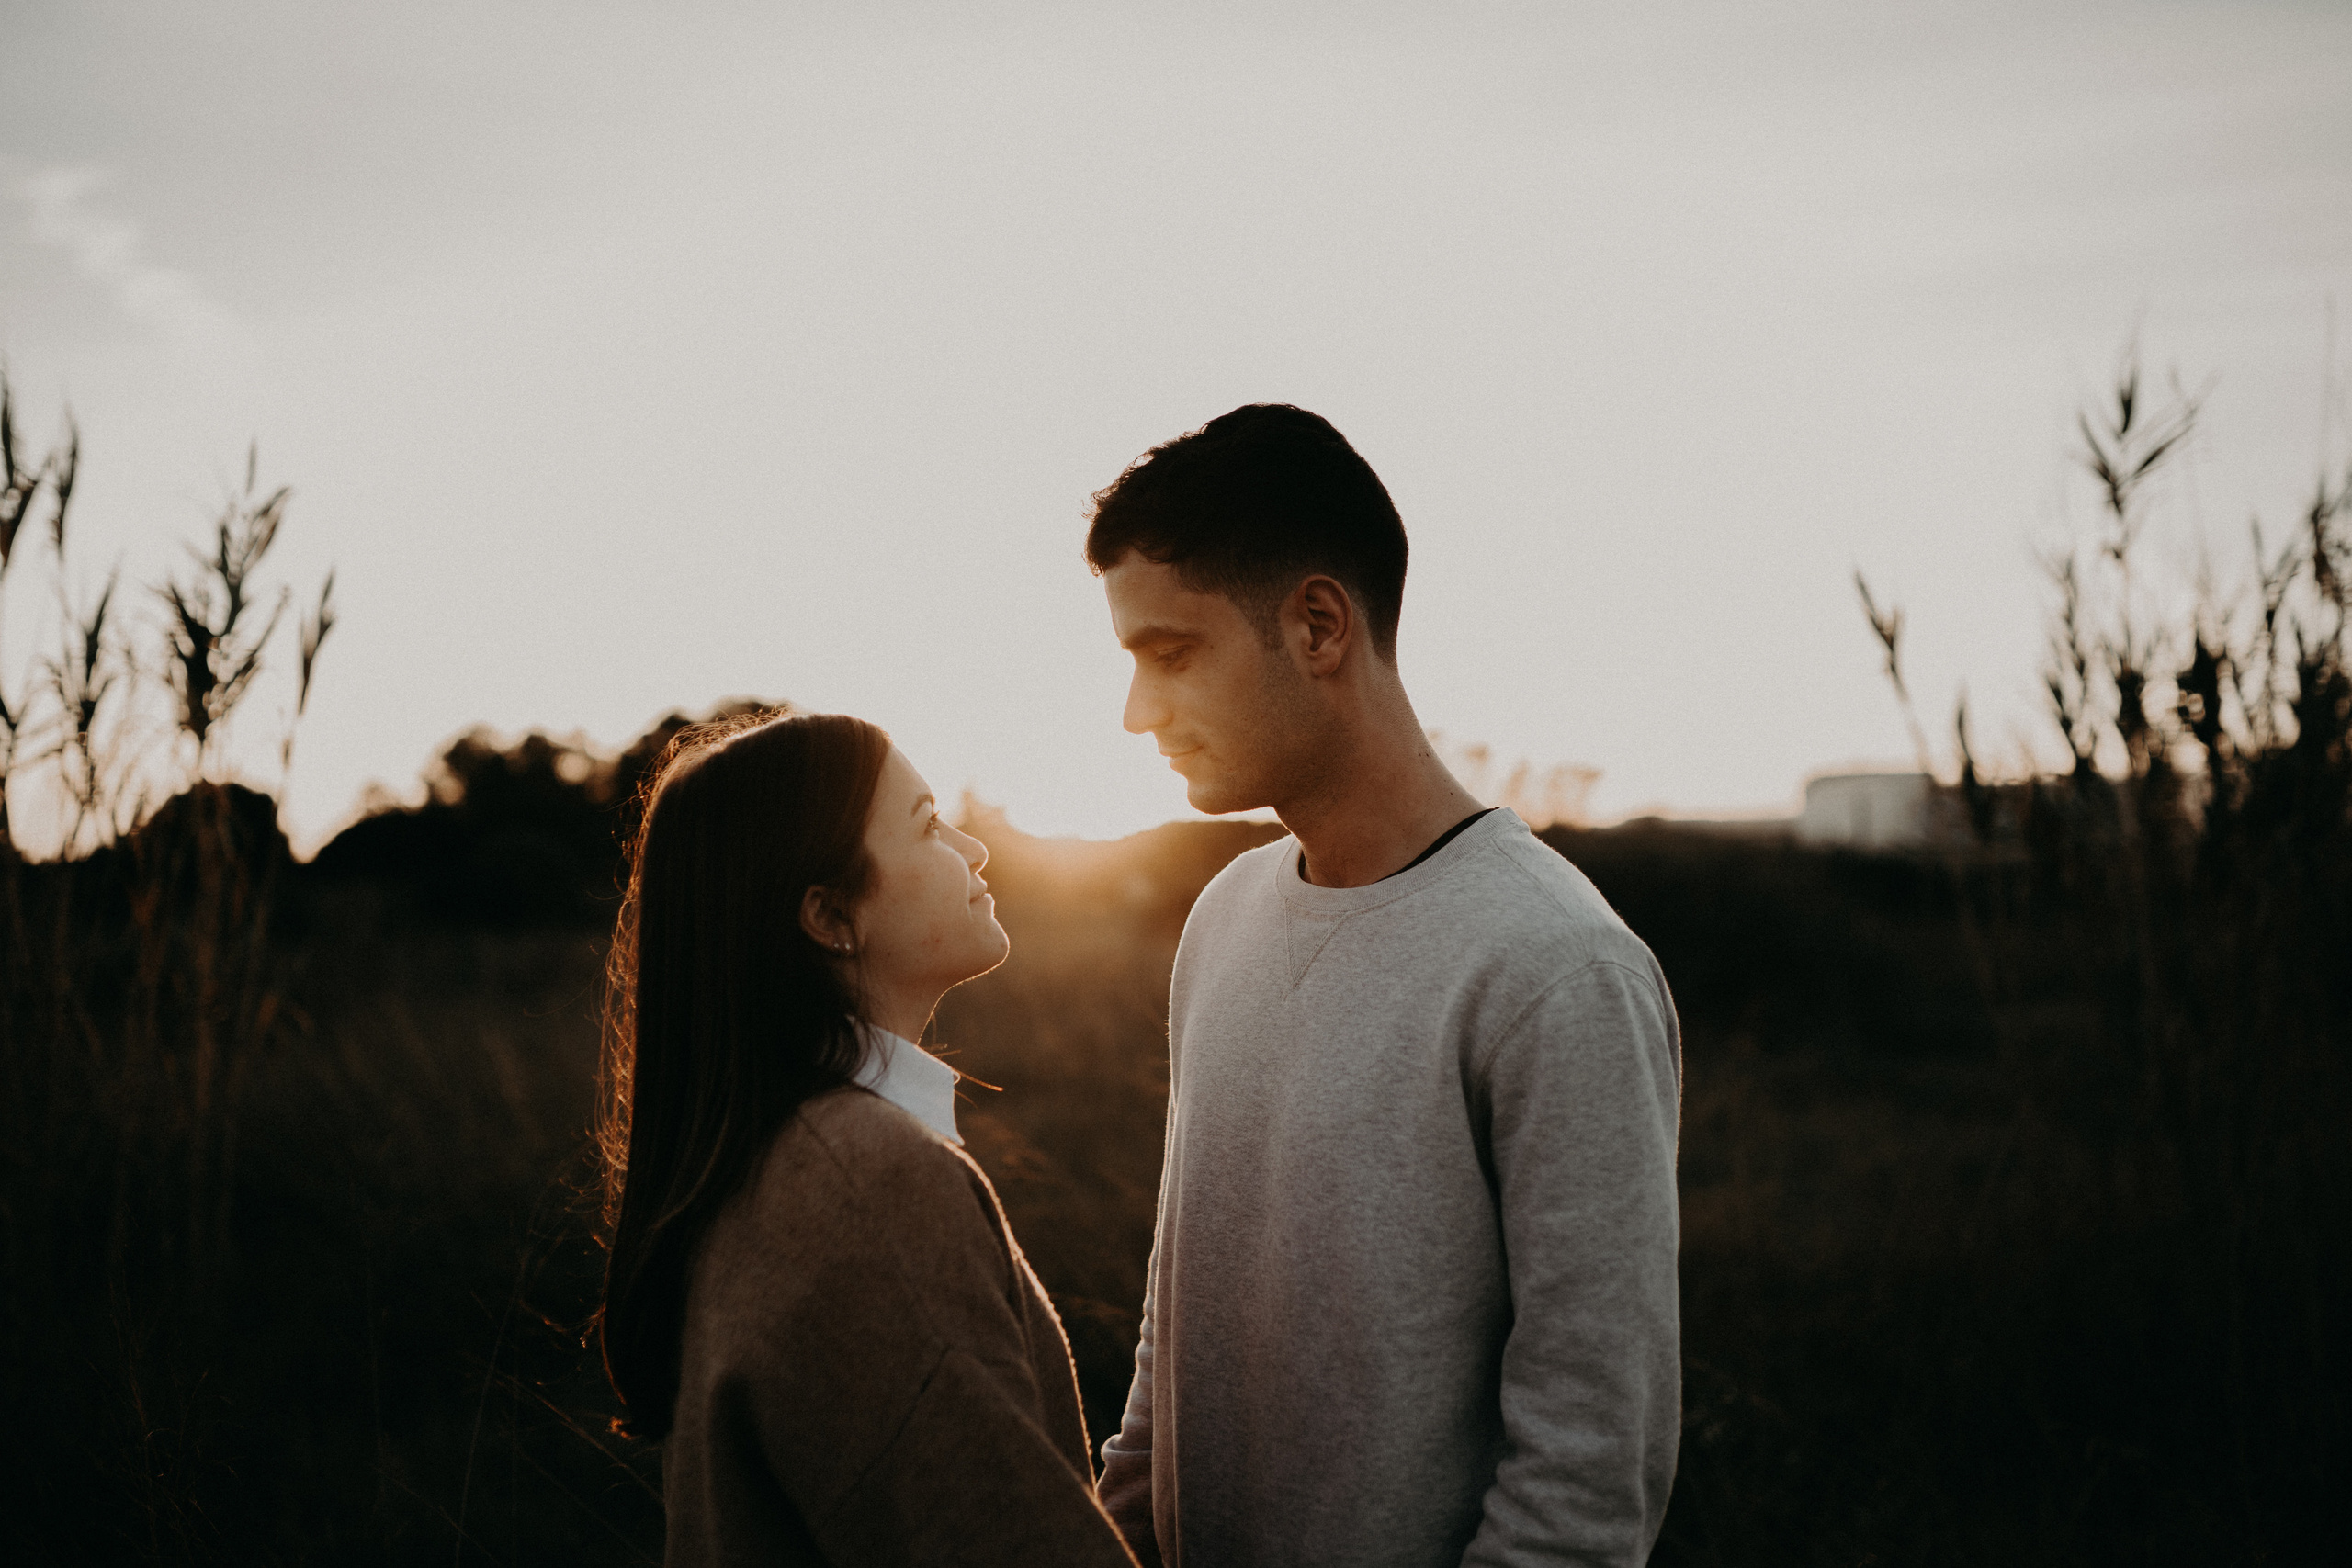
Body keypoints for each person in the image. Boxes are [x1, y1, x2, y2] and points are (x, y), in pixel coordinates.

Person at [1086, 406, 1683, 1567]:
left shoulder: (1558, 968)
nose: (1137, 712)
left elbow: (1585, 1474)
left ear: (1316, 624)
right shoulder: (1222, 920)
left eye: (1171, 653)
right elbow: (1177, 1329)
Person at [592, 709, 1138, 1568]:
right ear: (830, 914)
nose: (975, 847)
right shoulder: (867, 1185)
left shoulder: (782, 1162)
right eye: (926, 824)